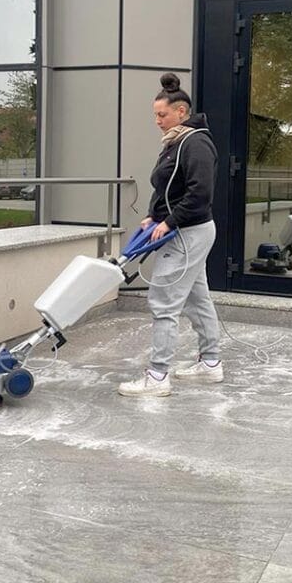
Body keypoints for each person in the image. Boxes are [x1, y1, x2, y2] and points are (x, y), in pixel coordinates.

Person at [118, 73, 223, 397]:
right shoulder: (177, 142)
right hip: (184, 231)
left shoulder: (196, 143)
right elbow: (168, 187)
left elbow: (199, 193)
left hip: (187, 234)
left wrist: (169, 222)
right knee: (196, 298)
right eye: (155, 115)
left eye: (161, 115)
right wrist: (154, 216)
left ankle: (158, 377)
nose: (157, 121)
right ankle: (210, 364)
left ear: (181, 111)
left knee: (163, 302)